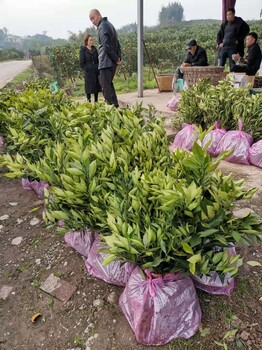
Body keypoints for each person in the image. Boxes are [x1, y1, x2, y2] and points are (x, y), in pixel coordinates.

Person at [89, 9, 121, 108]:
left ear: (99, 15)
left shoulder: (102, 27)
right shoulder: (109, 25)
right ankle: (116, 108)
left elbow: (106, 45)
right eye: (91, 20)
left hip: (106, 63)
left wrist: (116, 58)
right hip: (111, 62)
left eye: (93, 18)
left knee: (106, 89)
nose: (93, 21)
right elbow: (117, 44)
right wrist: (118, 58)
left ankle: (110, 111)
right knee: (109, 86)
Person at [79, 34, 101, 102]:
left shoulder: (94, 49)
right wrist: (87, 69)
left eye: (92, 40)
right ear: (86, 41)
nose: (92, 41)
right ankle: (89, 102)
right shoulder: (83, 50)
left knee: (96, 87)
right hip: (88, 71)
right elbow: (81, 62)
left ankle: (96, 102)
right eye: (90, 40)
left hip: (95, 70)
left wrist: (97, 67)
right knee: (89, 88)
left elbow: (98, 59)